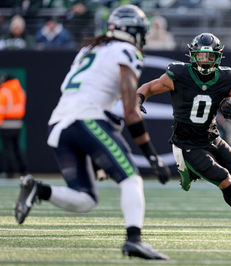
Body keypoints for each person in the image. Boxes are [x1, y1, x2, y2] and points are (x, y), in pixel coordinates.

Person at [14, 5, 170, 260]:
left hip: (60, 124)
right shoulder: (126, 51)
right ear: (133, 32)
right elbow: (131, 111)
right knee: (131, 179)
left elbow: (98, 100)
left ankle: (38, 190)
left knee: (85, 199)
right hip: (86, 120)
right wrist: (151, 155)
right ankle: (134, 240)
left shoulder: (89, 49)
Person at [137, 32, 231, 235]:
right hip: (187, 143)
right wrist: (138, 99)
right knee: (225, 180)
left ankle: (191, 172)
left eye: (209, 57)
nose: (205, 61)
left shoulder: (225, 78)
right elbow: (149, 87)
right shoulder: (179, 74)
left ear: (217, 57)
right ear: (193, 55)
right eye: (201, 56)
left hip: (212, 138)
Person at [0, 74, 27, 179]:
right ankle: (23, 170)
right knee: (16, 148)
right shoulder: (21, 91)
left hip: (6, 123)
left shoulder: (5, 91)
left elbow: (1, 109)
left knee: (8, 149)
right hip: (18, 123)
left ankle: (9, 172)